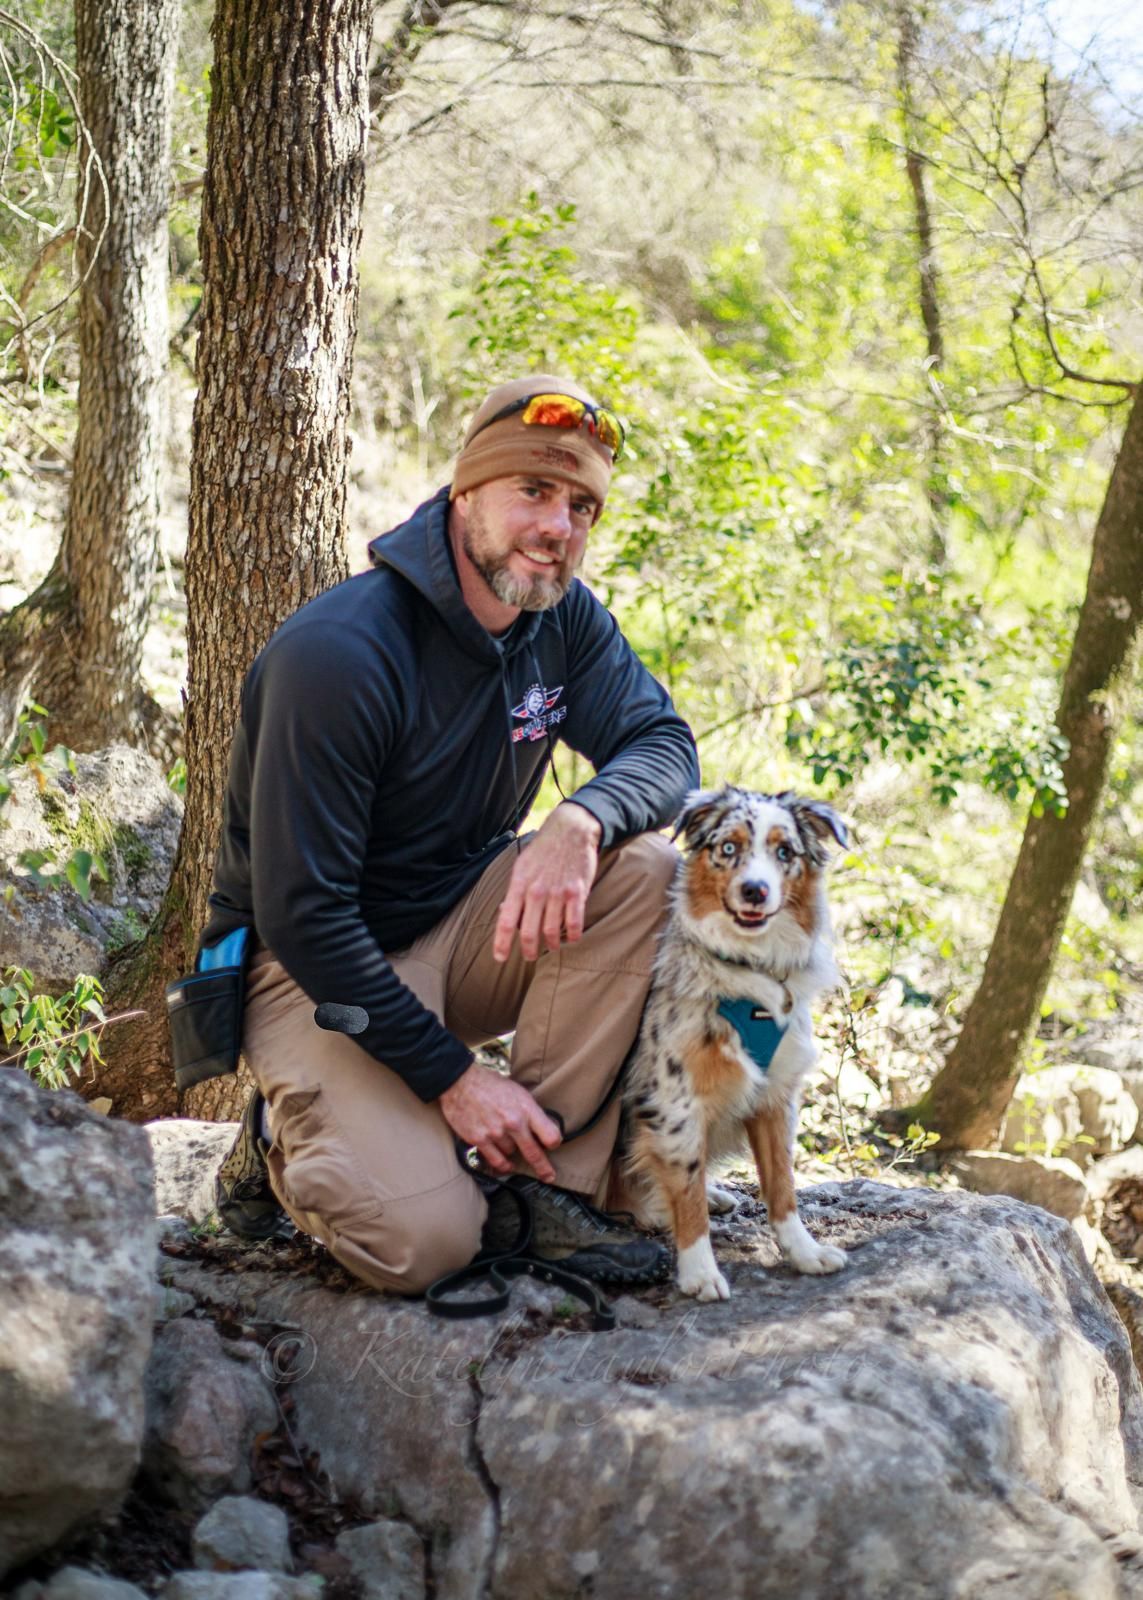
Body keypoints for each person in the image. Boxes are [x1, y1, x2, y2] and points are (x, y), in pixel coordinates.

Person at [209, 374, 700, 1295]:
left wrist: (580, 817)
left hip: (459, 928)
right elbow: (305, 915)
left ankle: (539, 1191)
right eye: (534, 491)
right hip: (311, 974)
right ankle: (277, 1141)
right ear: (465, 491)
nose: (558, 527)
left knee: (647, 868)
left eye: (582, 505)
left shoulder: (561, 623)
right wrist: (453, 1079)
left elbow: (665, 744)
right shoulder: (342, 653)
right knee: (425, 1245)